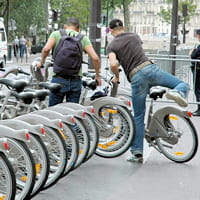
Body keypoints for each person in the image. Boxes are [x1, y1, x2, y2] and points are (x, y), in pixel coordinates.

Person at [106, 19, 190, 163]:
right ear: (123, 27)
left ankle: (137, 152)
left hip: (136, 77)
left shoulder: (112, 45)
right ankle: (178, 92)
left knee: (138, 116)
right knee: (183, 84)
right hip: (150, 69)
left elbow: (113, 63)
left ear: (111, 31)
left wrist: (117, 75)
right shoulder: (134, 36)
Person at [37, 17, 101, 106]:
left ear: (65, 26)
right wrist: (98, 76)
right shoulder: (83, 38)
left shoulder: (56, 34)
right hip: (76, 80)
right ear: (78, 29)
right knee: (72, 112)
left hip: (58, 79)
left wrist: (41, 62)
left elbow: (46, 49)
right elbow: (95, 58)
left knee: (53, 111)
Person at [189, 29, 200, 116]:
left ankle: (199, 109)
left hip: (198, 69)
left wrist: (192, 52)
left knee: (197, 89)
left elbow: (193, 56)